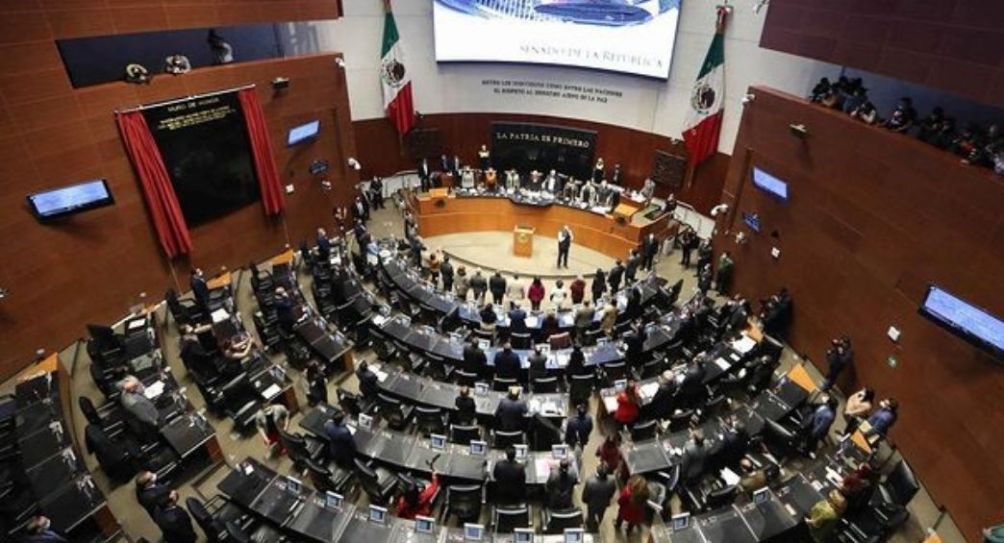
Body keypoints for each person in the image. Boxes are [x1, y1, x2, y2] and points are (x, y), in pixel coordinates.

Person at [581, 464, 617, 531]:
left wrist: (585, 500)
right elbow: (612, 492)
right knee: (601, 514)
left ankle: (590, 526)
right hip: (604, 503)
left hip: (592, 503)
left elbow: (585, 495)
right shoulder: (612, 480)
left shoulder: (590, 481)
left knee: (591, 515)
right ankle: (598, 524)